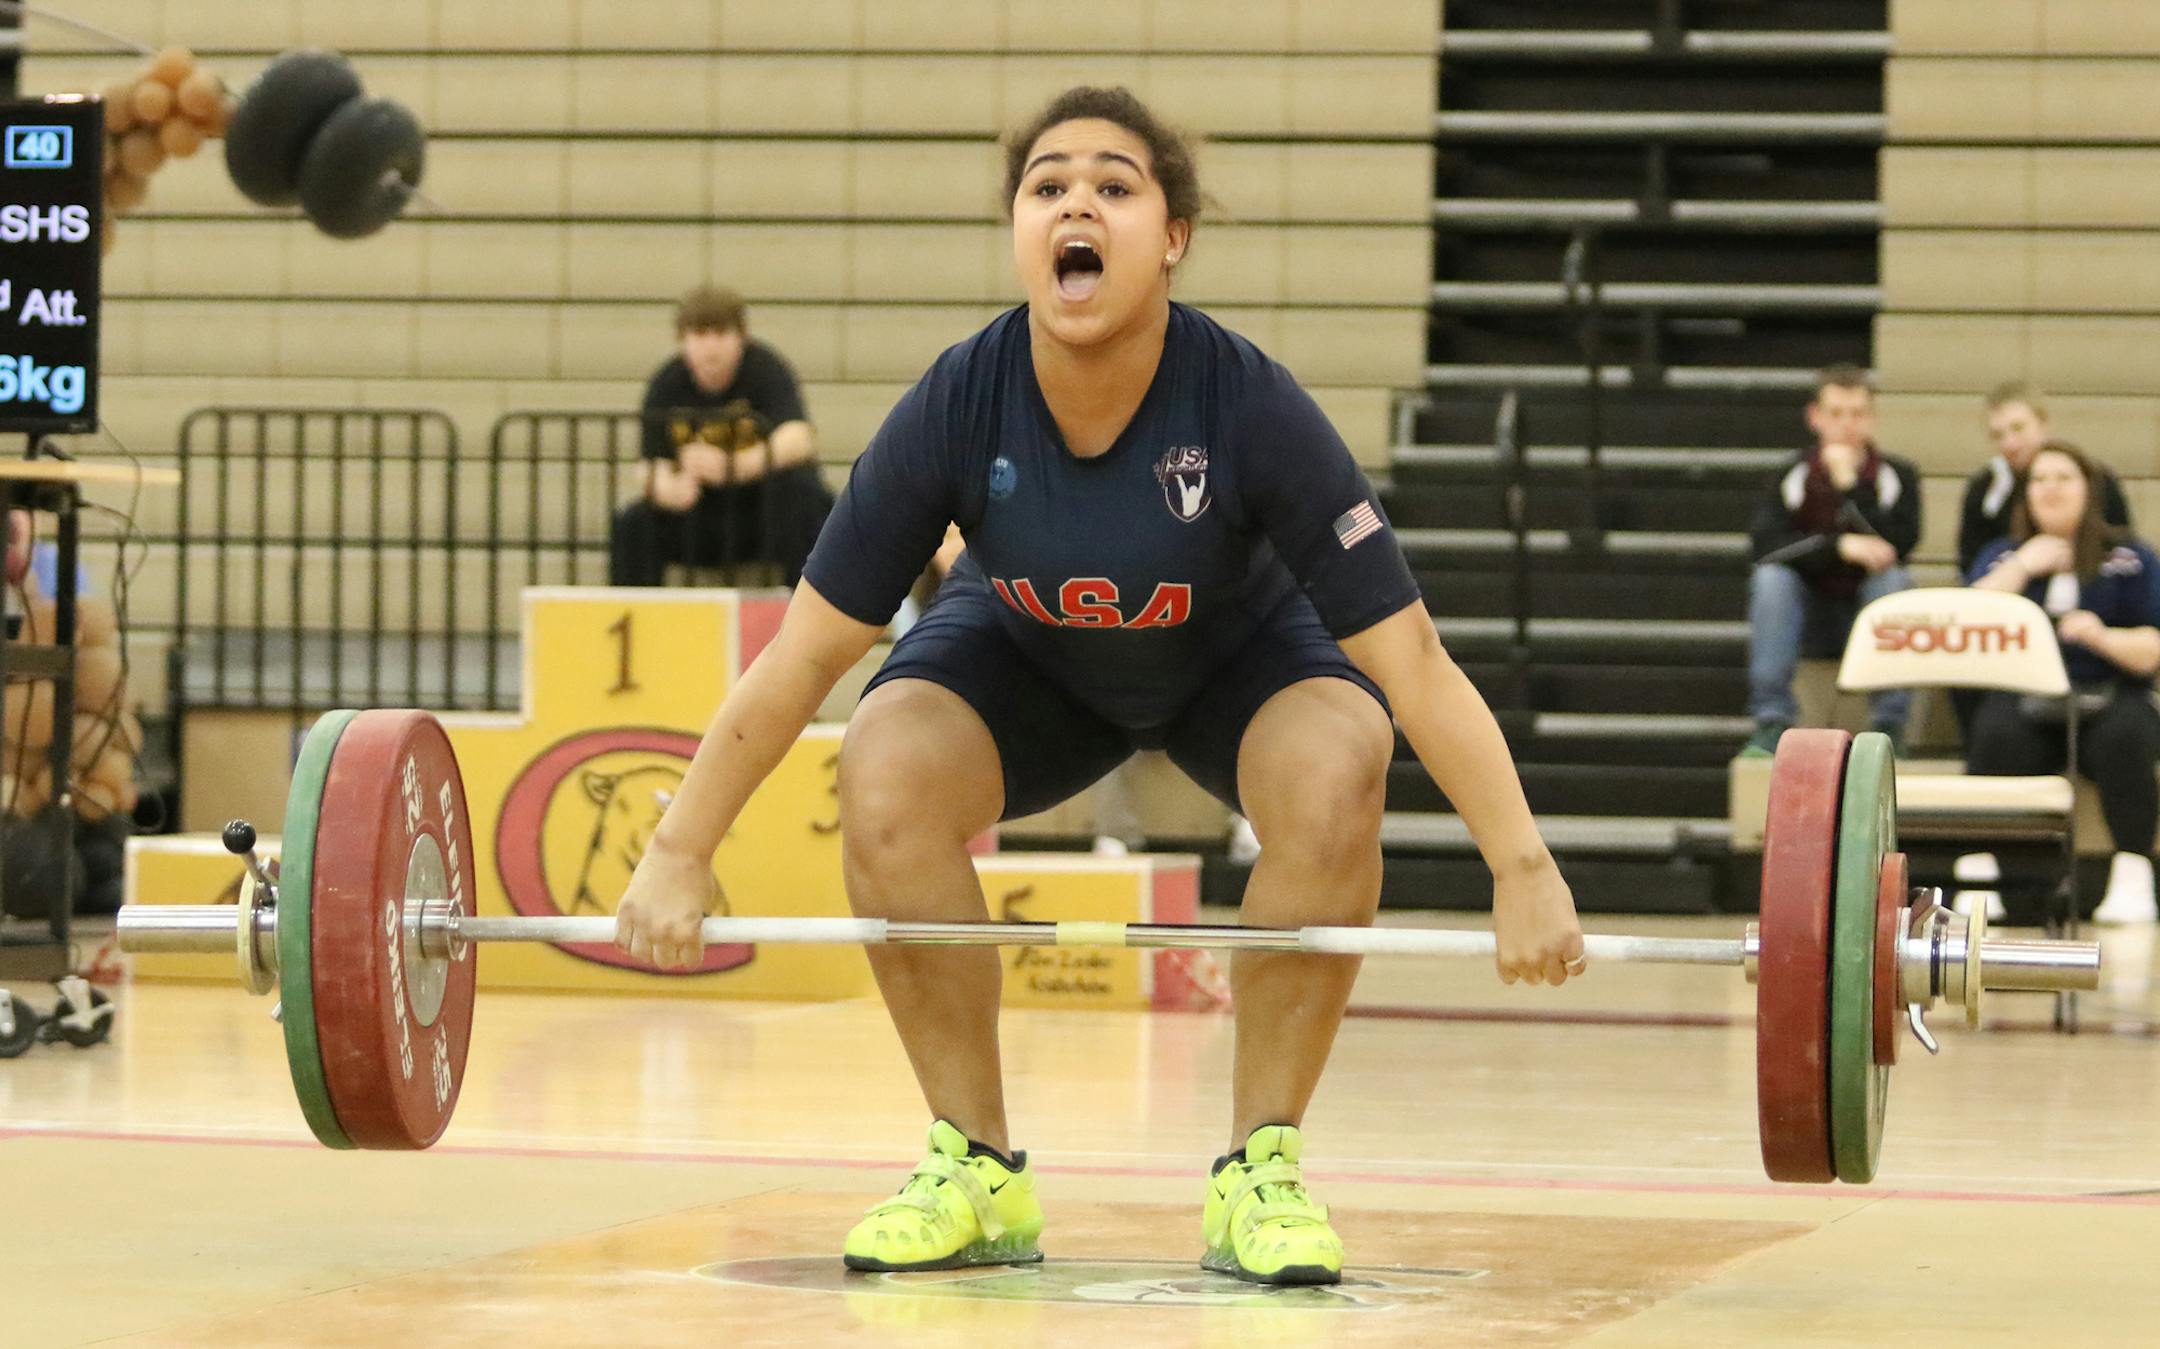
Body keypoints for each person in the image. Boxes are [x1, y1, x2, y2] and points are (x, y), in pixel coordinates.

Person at [611, 86, 1585, 1286]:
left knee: (1343, 757)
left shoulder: (1249, 403)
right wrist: (679, 845)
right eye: (1049, 184)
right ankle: (976, 1165)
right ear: (1022, 232)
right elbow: (803, 655)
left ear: (1171, 237)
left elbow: (1414, 659)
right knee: (883, 762)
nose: (1078, 200)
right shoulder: (959, 402)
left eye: (1116, 184)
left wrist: (1523, 865)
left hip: (1243, 660)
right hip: (1027, 658)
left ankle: (1259, 1172)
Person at [1967, 441, 2160, 925]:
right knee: (1996, 735)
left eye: (2063, 478)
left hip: (2111, 693)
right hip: (2021, 697)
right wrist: (2024, 566)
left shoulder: (2132, 558)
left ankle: (2134, 877)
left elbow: (2152, 649)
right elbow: (1964, 623)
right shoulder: (2000, 555)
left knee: (2129, 735)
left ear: (2089, 491)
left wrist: (2101, 637)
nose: (2049, 488)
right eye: (2038, 479)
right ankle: (1994, 883)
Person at [1742, 366, 1921, 756]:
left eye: (1857, 414)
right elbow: (1765, 547)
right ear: (1815, 418)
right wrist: (1837, 547)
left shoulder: (1898, 475)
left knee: (1895, 581)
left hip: (1867, 600)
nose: (1847, 425)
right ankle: (1771, 719)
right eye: (1836, 413)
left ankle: (1890, 721)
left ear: (1872, 418)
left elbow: (1900, 544)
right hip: (1807, 608)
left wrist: (1850, 487)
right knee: (1771, 580)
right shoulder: (1790, 475)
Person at [607, 286, 833, 587]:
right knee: (632, 523)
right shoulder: (667, 383)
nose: (711, 347)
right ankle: (637, 621)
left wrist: (734, 465)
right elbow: (649, 463)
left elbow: (799, 437)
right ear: (683, 341)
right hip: (701, 514)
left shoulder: (766, 369)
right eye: (700, 334)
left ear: (741, 338)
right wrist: (666, 488)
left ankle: (810, 618)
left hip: (760, 510)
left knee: (809, 499)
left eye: (722, 334)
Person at [1958, 382, 2130, 580]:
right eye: (1998, 435)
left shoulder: (2096, 478)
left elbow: (2122, 541)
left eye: (2018, 428)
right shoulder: (1983, 488)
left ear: (2043, 423)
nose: (2010, 443)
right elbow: (1971, 566)